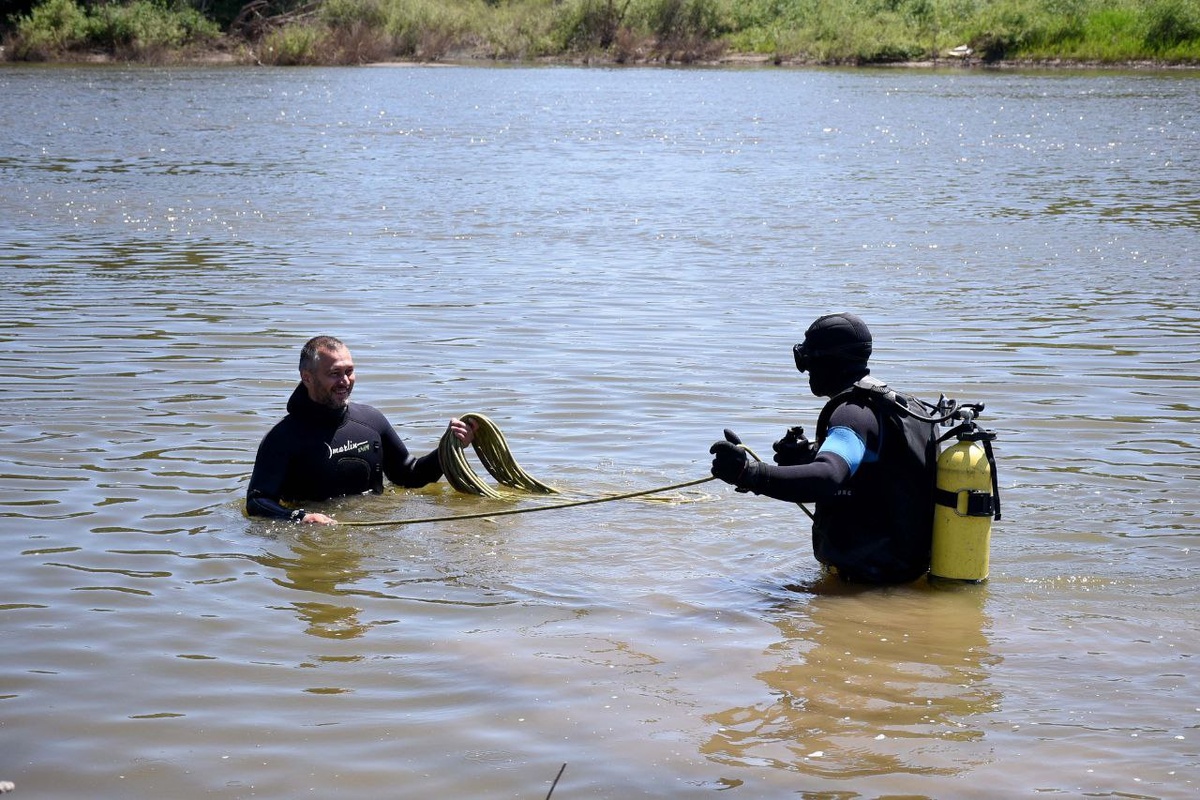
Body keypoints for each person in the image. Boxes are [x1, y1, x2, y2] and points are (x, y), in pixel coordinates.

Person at [709, 313, 938, 584]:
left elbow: (828, 476)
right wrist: (810, 455)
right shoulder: (904, 406)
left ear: (827, 360)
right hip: (907, 573)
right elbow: (885, 470)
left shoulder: (852, 413)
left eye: (806, 358)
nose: (805, 369)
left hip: (865, 585)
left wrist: (748, 473)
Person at [246, 335, 474, 524]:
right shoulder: (283, 437)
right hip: (316, 537)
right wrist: (300, 518)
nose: (345, 381)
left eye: (349, 371)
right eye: (335, 373)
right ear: (307, 378)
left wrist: (450, 447)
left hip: (372, 535)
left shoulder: (371, 421)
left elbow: (410, 476)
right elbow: (257, 502)